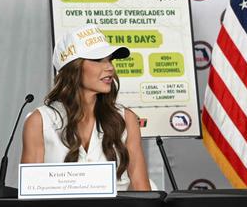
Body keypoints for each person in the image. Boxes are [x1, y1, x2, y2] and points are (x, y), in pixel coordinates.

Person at [21, 24, 150, 191]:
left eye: (110, 59)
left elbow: (143, 191)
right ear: (73, 68)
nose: (110, 67)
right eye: (98, 60)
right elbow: (31, 194)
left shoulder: (126, 119)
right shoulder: (39, 121)